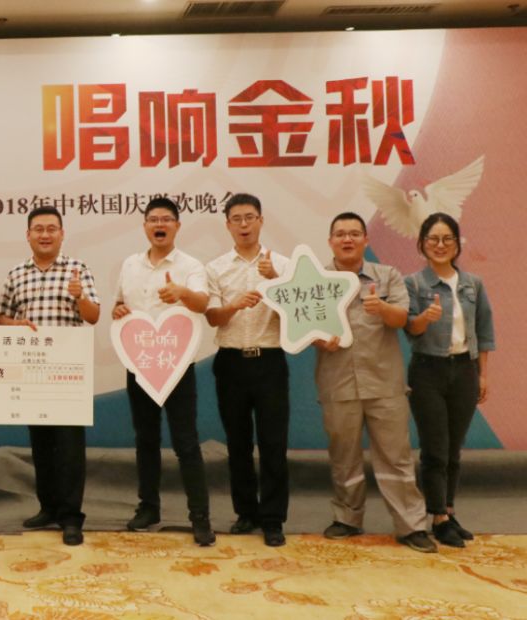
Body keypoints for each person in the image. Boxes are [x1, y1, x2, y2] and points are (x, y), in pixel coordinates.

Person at [313, 212, 436, 553]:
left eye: (354, 233)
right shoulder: (318, 280)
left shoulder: (387, 275)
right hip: (337, 381)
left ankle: (411, 526)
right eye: (340, 234)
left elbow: (401, 319)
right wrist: (318, 339)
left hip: (384, 382)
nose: (347, 239)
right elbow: (303, 326)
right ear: (330, 241)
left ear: (366, 240)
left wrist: (381, 307)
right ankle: (347, 518)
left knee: (396, 457)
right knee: (344, 456)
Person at [113, 197, 216, 547]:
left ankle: (200, 517)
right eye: (153, 219)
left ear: (177, 226)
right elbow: (119, 304)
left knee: (186, 442)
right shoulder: (130, 264)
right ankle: (148, 508)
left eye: (166, 219)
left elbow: (203, 304)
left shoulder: (190, 265)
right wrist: (118, 310)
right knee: (146, 440)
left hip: (177, 365)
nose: (160, 224)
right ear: (145, 226)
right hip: (140, 364)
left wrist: (182, 292)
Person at [0, 206, 100, 546]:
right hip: (32, 372)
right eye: (38, 229)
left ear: (61, 233)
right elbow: (1, 318)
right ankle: (48, 508)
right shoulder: (16, 273)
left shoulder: (77, 269)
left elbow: (94, 316)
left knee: (69, 448)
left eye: (51, 228)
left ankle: (71, 517)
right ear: (28, 235)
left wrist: (79, 296)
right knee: (41, 444)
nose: (45, 234)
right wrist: (16, 325)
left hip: (68, 373)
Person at [204, 193, 291, 547]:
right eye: (236, 219)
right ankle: (246, 512)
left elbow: (297, 314)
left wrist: (276, 282)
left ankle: (273, 519)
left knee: (273, 443)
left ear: (261, 221)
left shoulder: (282, 264)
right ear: (227, 225)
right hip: (231, 362)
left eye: (249, 217)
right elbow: (212, 317)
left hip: (270, 360)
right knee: (237, 443)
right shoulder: (215, 268)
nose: (244, 225)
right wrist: (235, 305)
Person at [404, 213, 495, 547]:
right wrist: (424, 319)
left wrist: (483, 374)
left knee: (454, 448)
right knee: (435, 448)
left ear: (457, 244)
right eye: (433, 239)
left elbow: (484, 330)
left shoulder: (473, 283)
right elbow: (409, 329)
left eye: (447, 239)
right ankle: (438, 516)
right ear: (422, 244)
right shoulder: (414, 284)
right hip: (427, 370)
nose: (440, 245)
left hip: (465, 369)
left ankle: (449, 510)